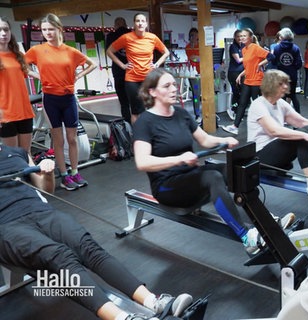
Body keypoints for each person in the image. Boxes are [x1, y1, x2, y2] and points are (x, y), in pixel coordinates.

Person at [0, 108, 193, 320]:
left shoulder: (17, 153)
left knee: (86, 245)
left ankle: (154, 302)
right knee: (58, 255)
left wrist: (45, 172)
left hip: (40, 211)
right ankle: (124, 318)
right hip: (7, 225)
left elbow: (46, 189)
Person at [133, 69, 293, 255]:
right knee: (212, 177)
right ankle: (246, 237)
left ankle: (265, 220)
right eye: (167, 86)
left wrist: (223, 141)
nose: (174, 89)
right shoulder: (145, 122)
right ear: (152, 92)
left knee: (233, 171)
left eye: (174, 85)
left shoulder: (180, 113)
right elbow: (142, 162)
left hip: (189, 176)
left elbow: (204, 140)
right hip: (166, 186)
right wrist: (178, 159)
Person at [247, 69, 308, 200]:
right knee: (301, 136)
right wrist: (305, 136)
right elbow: (274, 131)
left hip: (277, 151)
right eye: (280, 84)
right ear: (270, 85)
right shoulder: (258, 105)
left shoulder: (280, 103)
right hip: (261, 156)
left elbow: (302, 122)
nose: (285, 86)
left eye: (285, 83)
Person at [25, 13, 97, 191]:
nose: (47, 33)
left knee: (72, 139)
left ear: (59, 29)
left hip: (68, 98)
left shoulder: (70, 51)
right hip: (50, 99)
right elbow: (22, 65)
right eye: (44, 30)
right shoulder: (37, 50)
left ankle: (74, 172)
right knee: (58, 139)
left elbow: (91, 64)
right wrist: (37, 75)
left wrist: (78, 76)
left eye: (51, 29)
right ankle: (64, 176)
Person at [107, 13, 170, 125]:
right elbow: (109, 51)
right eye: (137, 21)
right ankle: (138, 137)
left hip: (148, 78)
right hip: (132, 79)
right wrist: (122, 65)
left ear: (146, 24)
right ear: (134, 24)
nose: (140, 23)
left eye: (142, 21)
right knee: (136, 111)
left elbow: (166, 52)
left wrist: (156, 64)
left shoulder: (152, 37)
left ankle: (153, 133)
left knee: (152, 107)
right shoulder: (126, 37)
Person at [221, 28, 272, 136]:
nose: (242, 38)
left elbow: (271, 57)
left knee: (258, 105)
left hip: (257, 81)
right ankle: (235, 127)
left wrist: (260, 64)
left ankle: (270, 126)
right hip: (248, 80)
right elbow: (248, 66)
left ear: (250, 37)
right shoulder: (244, 50)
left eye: (245, 36)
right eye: (241, 36)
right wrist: (240, 75)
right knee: (242, 104)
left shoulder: (255, 47)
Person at [0, 17, 35, 154]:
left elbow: (22, 79)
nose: (3, 33)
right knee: (13, 155)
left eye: (6, 29)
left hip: (24, 110)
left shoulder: (18, 55)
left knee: (26, 154)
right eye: (0, 30)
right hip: (6, 113)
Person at [266, 27, 303, 113]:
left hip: (281, 76)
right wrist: (293, 68)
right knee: (293, 96)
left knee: (281, 97)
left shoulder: (276, 48)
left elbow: (274, 62)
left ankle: (281, 118)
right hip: (292, 76)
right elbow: (299, 64)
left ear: (281, 37)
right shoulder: (296, 48)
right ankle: (297, 119)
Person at [105, 17, 131, 124]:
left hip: (118, 72)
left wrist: (121, 65)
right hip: (133, 71)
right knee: (135, 100)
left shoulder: (111, 36)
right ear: (125, 24)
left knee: (123, 102)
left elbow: (108, 52)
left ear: (115, 25)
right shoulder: (132, 34)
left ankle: (127, 123)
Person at [226, 29, 244, 121]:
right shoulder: (233, 47)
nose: (240, 38)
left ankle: (239, 111)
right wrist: (249, 57)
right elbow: (238, 60)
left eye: (241, 36)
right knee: (236, 93)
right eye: (238, 36)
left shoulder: (244, 46)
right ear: (235, 37)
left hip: (242, 73)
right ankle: (234, 109)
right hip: (233, 73)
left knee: (243, 93)